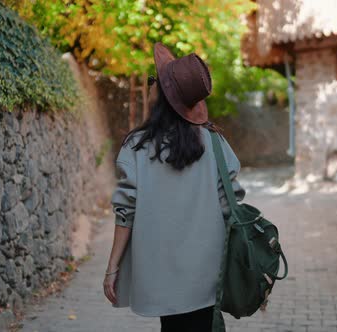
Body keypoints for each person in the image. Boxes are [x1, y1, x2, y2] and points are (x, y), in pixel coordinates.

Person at [103, 42, 246, 332]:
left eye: (154, 82)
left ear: (162, 96)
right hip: (208, 275)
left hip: (161, 278)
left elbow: (125, 212)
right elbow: (232, 206)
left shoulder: (137, 147)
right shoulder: (216, 144)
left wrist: (112, 267)